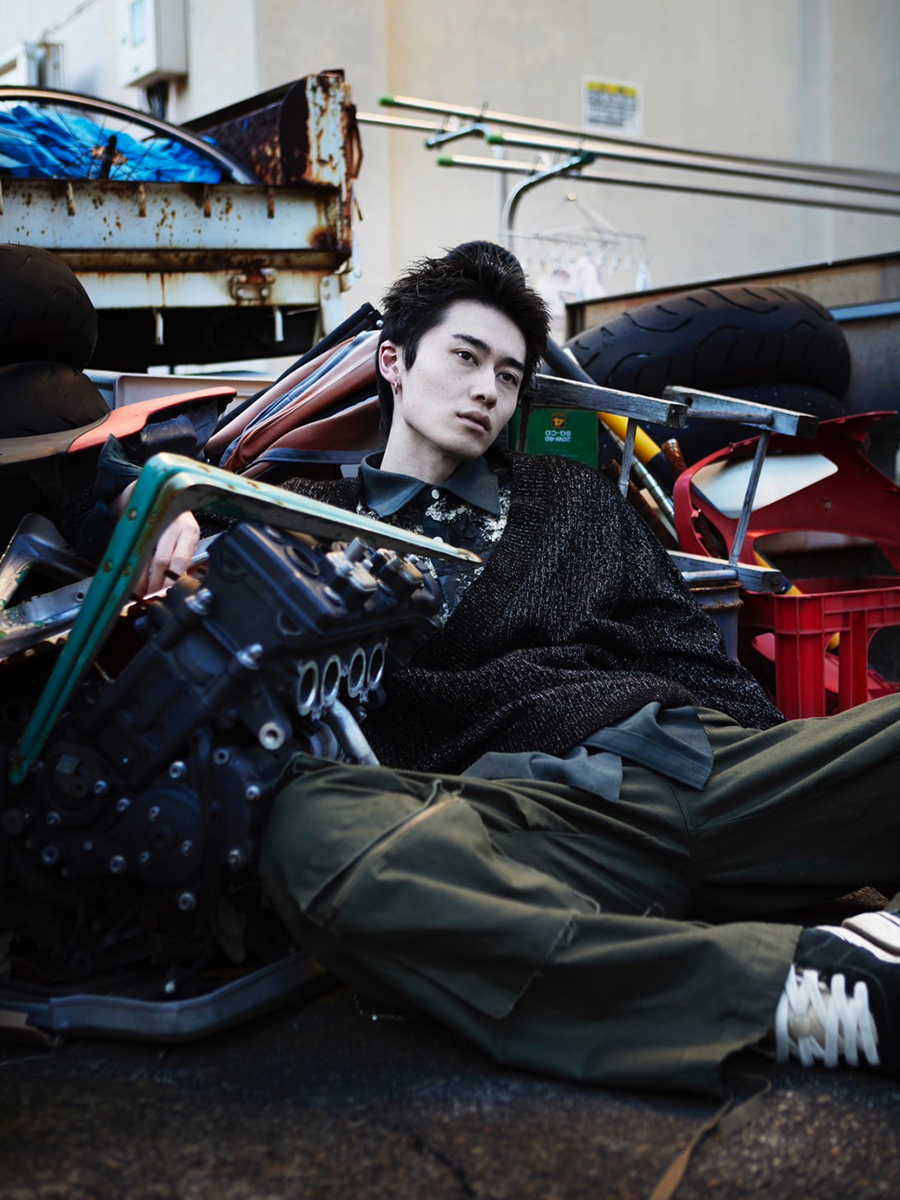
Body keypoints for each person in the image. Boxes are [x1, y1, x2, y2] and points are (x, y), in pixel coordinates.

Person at [257, 241, 900, 1096]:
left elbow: (685, 644)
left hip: (691, 762)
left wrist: (799, 795)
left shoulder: (571, 497)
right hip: (532, 820)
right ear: (393, 363)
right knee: (307, 828)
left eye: (509, 375)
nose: (488, 390)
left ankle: (848, 936)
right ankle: (800, 995)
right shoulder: (299, 526)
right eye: (465, 357)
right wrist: (172, 539)